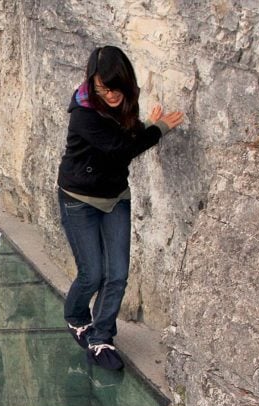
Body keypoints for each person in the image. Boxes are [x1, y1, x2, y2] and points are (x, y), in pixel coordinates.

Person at [57, 45, 184, 370]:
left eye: (116, 88)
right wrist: (158, 130)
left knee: (118, 275)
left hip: (115, 196)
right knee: (92, 274)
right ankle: (75, 316)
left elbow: (124, 134)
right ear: (93, 85)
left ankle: (100, 339)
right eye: (103, 89)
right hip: (79, 199)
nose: (111, 95)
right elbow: (119, 147)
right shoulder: (84, 113)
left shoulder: (125, 100)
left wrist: (142, 127)